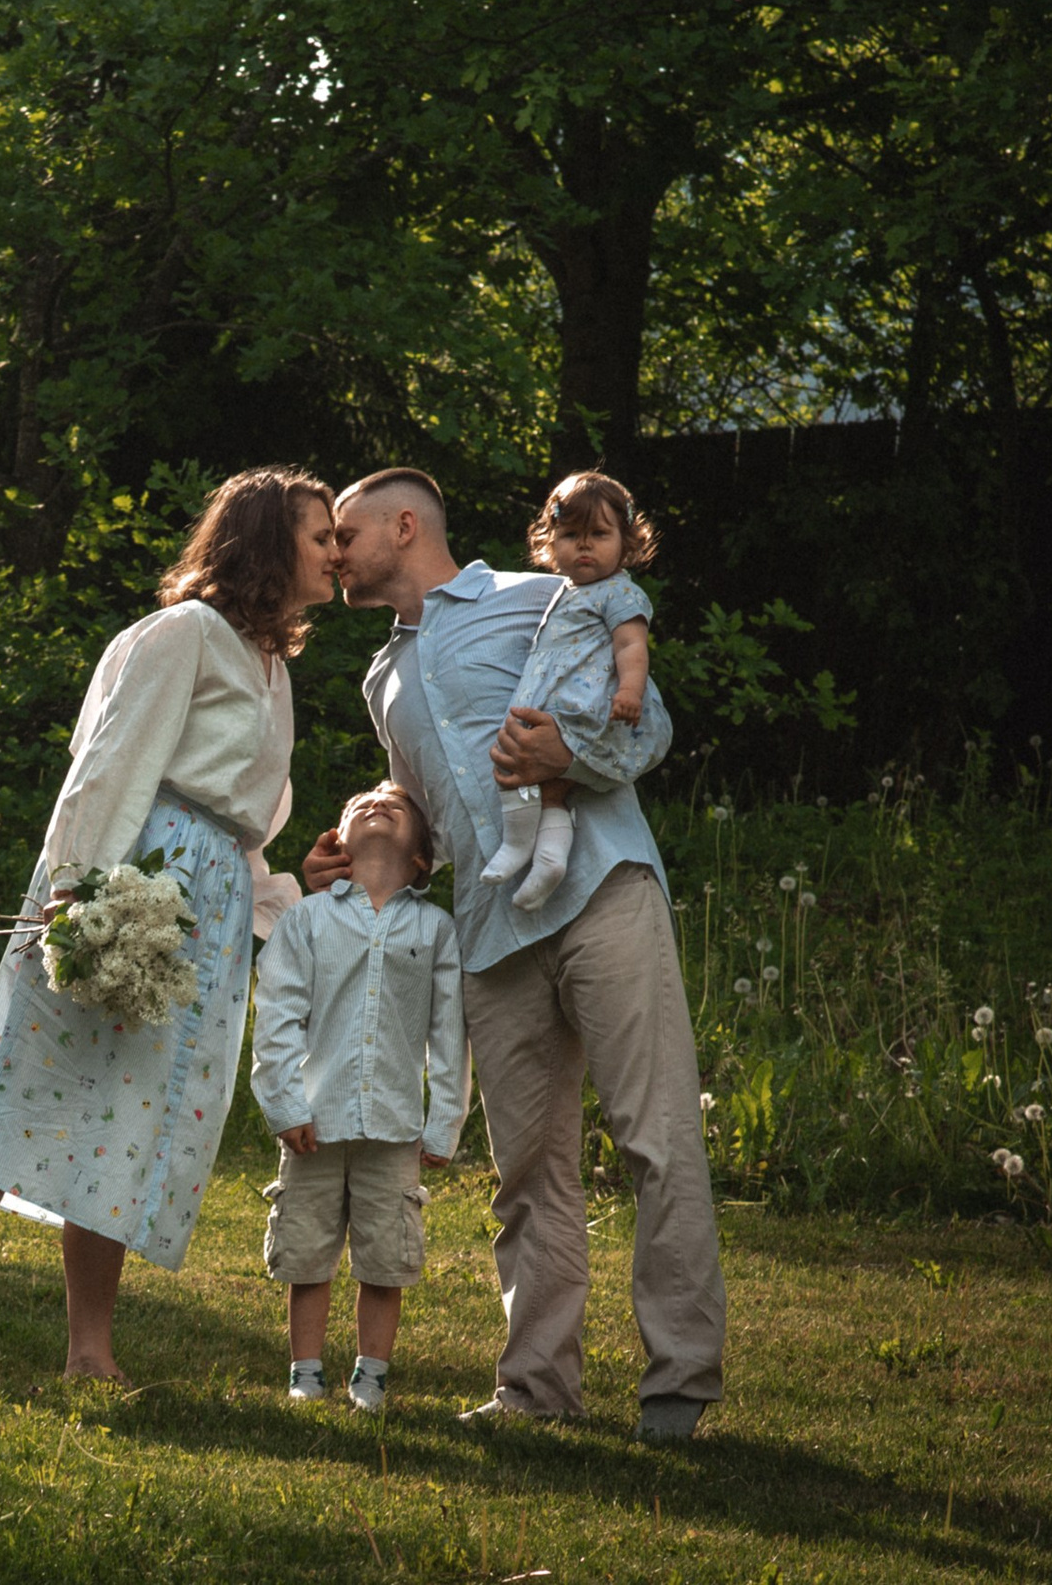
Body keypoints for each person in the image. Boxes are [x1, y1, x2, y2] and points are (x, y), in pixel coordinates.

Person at [305, 466, 724, 1443]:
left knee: (653, 1136)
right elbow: (431, 816)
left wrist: (566, 760)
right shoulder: (382, 678)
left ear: (402, 526)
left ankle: (679, 1382)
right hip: (492, 931)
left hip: (599, 889)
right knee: (526, 1173)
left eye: (343, 536)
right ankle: (536, 1389)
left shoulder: (538, 595)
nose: (330, 555)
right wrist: (361, 847)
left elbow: (647, 720)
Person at [0, 468, 338, 1384]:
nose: (336, 552)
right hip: (131, 877)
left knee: (128, 1116)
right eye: (319, 535)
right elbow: (108, 765)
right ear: (265, 543)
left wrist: (286, 889)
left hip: (207, 895)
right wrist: (72, 897)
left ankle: (90, 1349)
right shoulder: (186, 635)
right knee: (30, 1081)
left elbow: (243, 821)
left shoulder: (272, 665)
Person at [250, 781, 463, 1411]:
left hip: (395, 1127)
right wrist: (284, 1104)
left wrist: (443, 1123)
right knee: (307, 1252)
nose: (376, 803)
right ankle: (306, 1372)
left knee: (386, 1257)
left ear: (421, 858)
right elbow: (278, 1014)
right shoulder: (306, 920)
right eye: (361, 804)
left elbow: (448, 1035)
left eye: (395, 808)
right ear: (337, 843)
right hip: (314, 1122)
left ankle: (371, 1377)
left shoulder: (436, 929)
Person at [480, 471, 665, 913]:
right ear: (550, 541)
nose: (584, 546)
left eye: (599, 534)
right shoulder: (564, 592)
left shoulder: (618, 592)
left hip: (584, 708)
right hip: (554, 707)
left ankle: (519, 846)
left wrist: (631, 692)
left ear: (627, 542)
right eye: (570, 534)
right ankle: (547, 861)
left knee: (527, 774)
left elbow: (631, 645)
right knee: (546, 788)